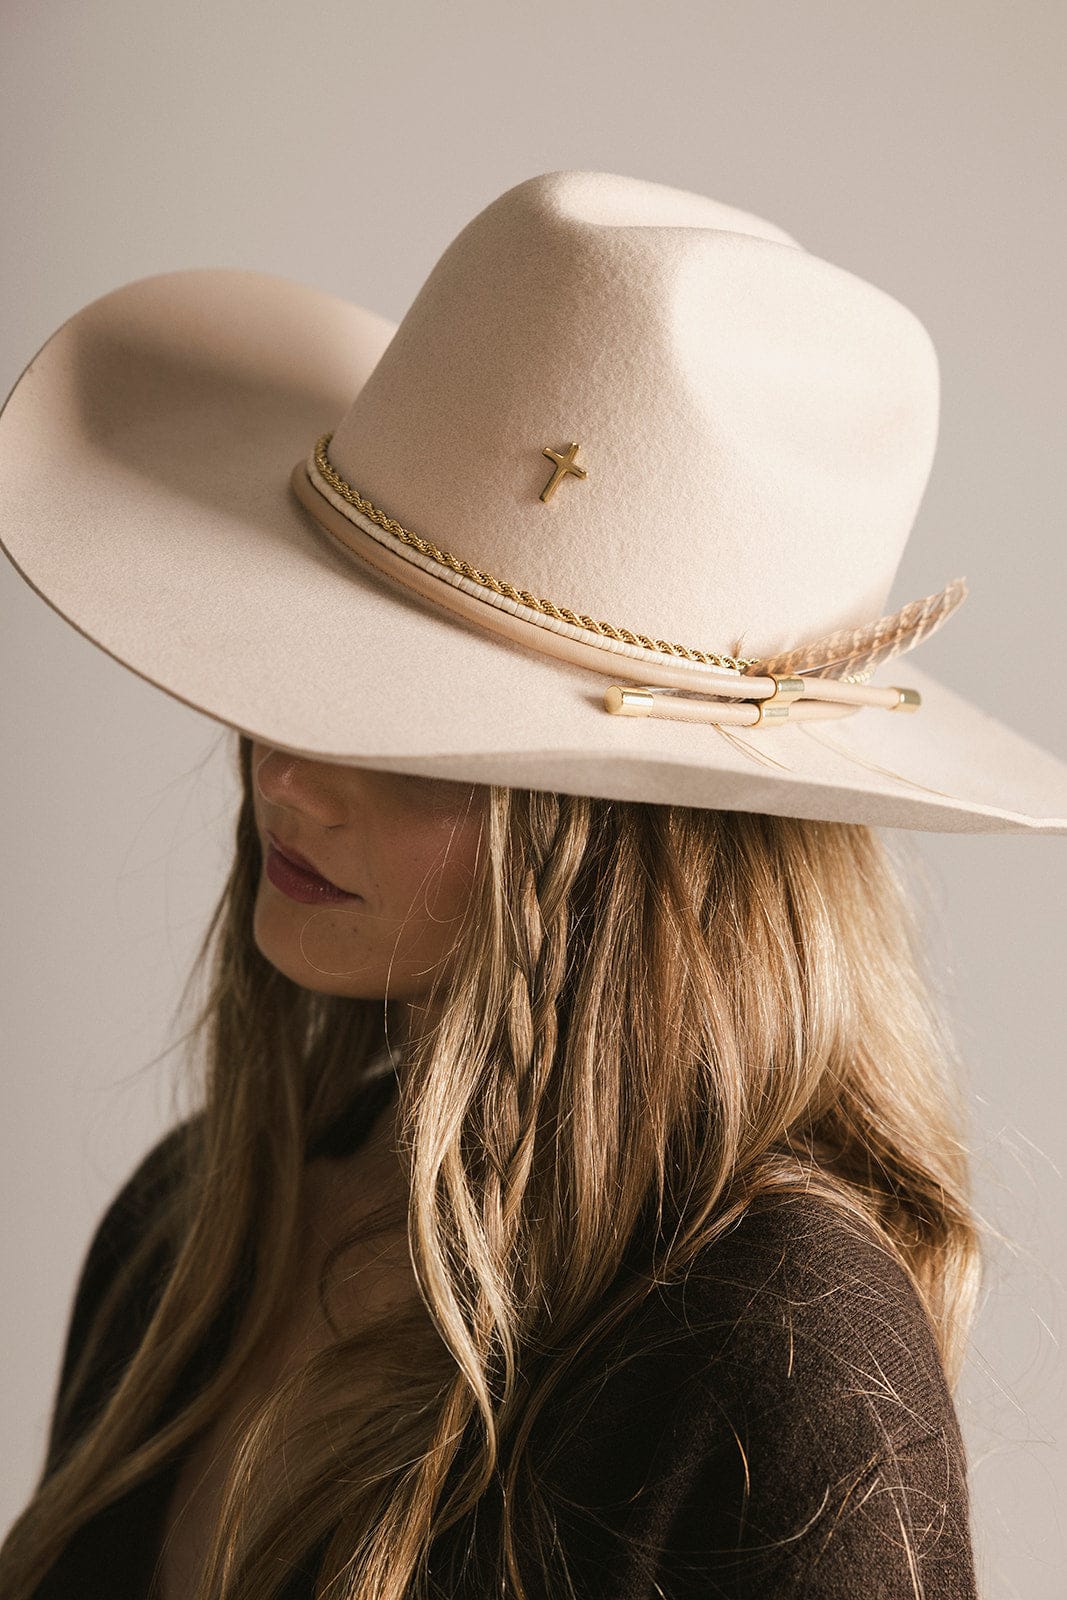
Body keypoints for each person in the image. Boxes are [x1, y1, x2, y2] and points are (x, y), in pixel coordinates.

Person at [1, 169, 1065, 1600]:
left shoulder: (774, 1351)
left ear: (645, 837)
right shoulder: (188, 1229)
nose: (288, 779)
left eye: (415, 732)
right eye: (303, 661)